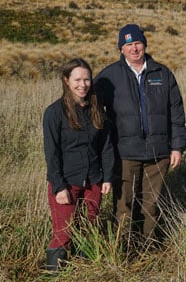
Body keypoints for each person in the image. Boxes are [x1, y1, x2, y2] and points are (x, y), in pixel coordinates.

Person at [94, 24, 186, 242]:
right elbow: (92, 108)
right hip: (125, 154)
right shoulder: (109, 77)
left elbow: (176, 113)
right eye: (128, 45)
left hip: (158, 153)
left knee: (151, 205)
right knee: (124, 205)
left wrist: (177, 147)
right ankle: (124, 248)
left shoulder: (162, 74)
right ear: (121, 49)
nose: (134, 49)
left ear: (144, 44)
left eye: (137, 43)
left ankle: (148, 246)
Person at [43, 58, 113, 271]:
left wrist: (107, 177)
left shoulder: (96, 110)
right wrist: (59, 186)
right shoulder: (54, 113)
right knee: (63, 233)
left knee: (88, 230)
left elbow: (106, 146)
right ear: (66, 81)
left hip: (93, 181)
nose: (82, 84)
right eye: (77, 80)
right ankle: (54, 273)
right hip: (67, 182)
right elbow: (51, 153)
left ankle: (83, 271)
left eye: (87, 79)